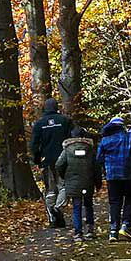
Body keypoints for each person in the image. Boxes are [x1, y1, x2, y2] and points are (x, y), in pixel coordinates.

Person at [29, 98, 75, 228]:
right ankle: (58, 208)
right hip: (64, 159)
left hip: (47, 160)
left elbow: (34, 145)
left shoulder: (39, 124)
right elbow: (72, 139)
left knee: (50, 189)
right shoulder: (65, 121)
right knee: (64, 186)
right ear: (56, 107)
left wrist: (37, 159)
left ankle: (53, 217)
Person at [53, 124, 102, 239]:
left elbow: (59, 164)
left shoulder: (67, 150)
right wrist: (98, 183)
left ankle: (78, 232)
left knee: (76, 206)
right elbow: (96, 167)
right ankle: (90, 230)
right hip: (88, 181)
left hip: (73, 182)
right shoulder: (90, 150)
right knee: (89, 205)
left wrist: (65, 176)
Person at [96, 115, 131, 239]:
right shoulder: (130, 137)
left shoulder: (105, 140)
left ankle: (113, 231)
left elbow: (99, 158)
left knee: (115, 202)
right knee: (130, 199)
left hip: (112, 176)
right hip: (128, 174)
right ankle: (126, 226)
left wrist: (105, 168)